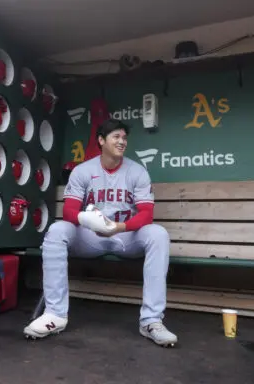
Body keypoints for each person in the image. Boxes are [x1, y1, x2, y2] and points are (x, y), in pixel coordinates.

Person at [23, 118, 177, 347]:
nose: (122, 141)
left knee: (158, 234)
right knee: (57, 230)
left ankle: (151, 321)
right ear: (101, 140)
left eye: (124, 137)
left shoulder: (137, 172)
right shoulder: (83, 171)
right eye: (116, 136)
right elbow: (69, 211)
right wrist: (92, 222)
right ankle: (55, 314)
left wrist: (119, 227)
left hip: (125, 236)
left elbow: (146, 214)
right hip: (91, 237)